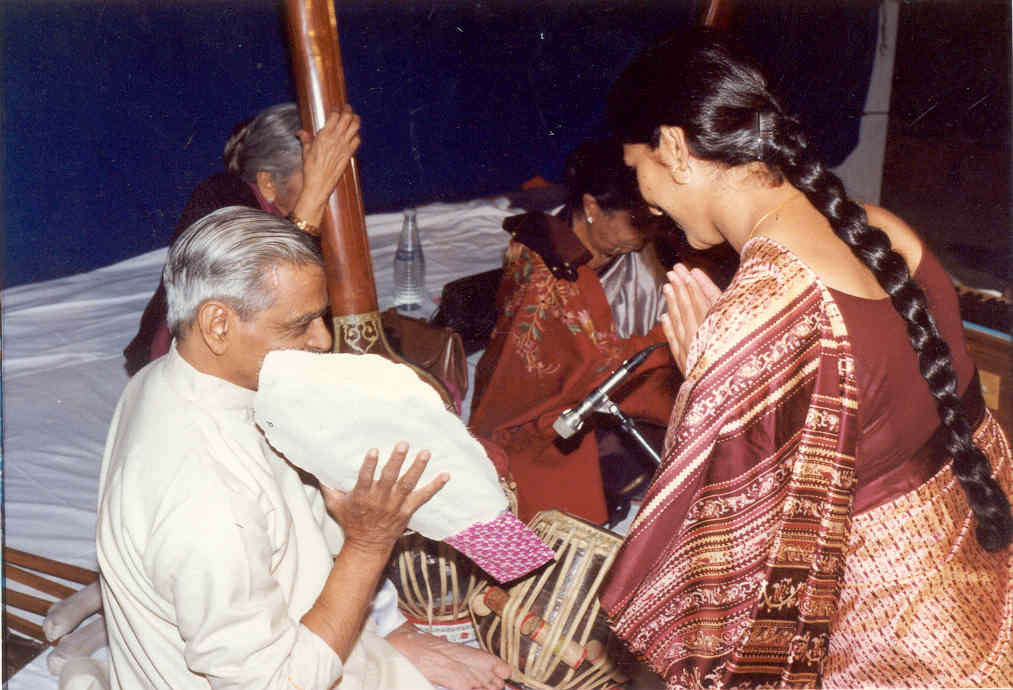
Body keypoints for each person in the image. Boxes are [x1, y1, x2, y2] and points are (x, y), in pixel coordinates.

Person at [599, 28, 1013, 688]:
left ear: (674, 147)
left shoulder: (761, 310)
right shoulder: (877, 225)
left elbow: (723, 554)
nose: (644, 199)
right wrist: (727, 376)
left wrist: (707, 383)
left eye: (636, 169)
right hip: (972, 557)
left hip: (887, 627)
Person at [97, 207, 511, 690]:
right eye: (301, 324)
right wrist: (368, 545)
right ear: (218, 325)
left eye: (322, 316)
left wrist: (395, 634)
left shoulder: (182, 379)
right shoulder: (203, 491)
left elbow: (297, 534)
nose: (323, 339)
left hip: (319, 645)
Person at [469, 138, 682, 526]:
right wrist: (672, 338)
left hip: (607, 388)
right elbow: (592, 366)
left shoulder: (634, 249)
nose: (649, 231)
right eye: (637, 220)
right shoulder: (548, 260)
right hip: (543, 408)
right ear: (591, 207)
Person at [122, 102, 360, 375]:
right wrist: (313, 198)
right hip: (192, 367)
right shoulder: (220, 198)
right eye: (319, 174)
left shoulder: (325, 215)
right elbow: (267, 292)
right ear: (268, 183)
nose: (331, 184)